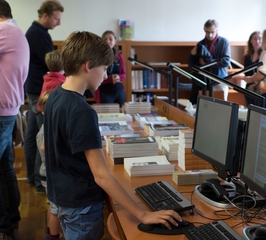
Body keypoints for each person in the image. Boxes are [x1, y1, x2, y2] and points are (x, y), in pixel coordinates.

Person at [43, 31, 181, 239]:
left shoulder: (55, 96)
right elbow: (101, 175)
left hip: (61, 198)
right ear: (88, 66)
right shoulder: (82, 110)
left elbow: (49, 146)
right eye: (105, 69)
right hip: (82, 205)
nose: (106, 75)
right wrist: (143, 214)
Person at [24, 0, 64, 194]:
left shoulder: (39, 33)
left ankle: (33, 178)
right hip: (41, 93)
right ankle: (40, 182)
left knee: (32, 136)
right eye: (56, 18)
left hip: (36, 90)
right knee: (43, 136)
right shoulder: (37, 35)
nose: (58, 23)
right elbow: (51, 63)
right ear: (45, 15)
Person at [0, 0, 30, 239]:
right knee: (5, 167)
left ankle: (3, 227)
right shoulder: (16, 31)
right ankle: (12, 215)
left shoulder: (5, 30)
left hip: (1, 111)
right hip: (8, 110)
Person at [234, 27, 266, 111]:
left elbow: (262, 74)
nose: (260, 40)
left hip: (265, 92)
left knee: (260, 119)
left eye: (262, 37)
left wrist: (251, 78)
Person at [36, 91, 62, 240]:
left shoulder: (48, 125)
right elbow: (45, 150)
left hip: (47, 173)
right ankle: (52, 236)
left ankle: (49, 230)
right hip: (50, 174)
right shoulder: (47, 130)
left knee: (52, 205)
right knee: (55, 209)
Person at [188, 19, 231, 105]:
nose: (210, 35)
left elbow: (226, 61)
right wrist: (191, 55)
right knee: (203, 106)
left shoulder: (224, 42)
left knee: (220, 107)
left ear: (217, 30)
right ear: (204, 30)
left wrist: (208, 63)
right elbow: (192, 64)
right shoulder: (201, 44)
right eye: (207, 32)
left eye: (212, 32)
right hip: (204, 81)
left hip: (219, 79)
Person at [94, 30, 126, 107]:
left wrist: (119, 77)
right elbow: (96, 77)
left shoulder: (119, 56)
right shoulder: (98, 57)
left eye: (110, 39)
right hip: (105, 92)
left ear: (115, 41)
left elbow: (124, 74)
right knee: (107, 115)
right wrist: (110, 79)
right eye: (105, 39)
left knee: (121, 114)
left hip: (119, 90)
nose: (108, 41)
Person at [242, 31, 262, 107]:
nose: (257, 41)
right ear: (250, 41)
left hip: (260, 88)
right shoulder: (247, 56)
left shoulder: (264, 55)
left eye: (260, 39)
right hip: (249, 87)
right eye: (254, 39)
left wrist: (255, 76)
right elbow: (246, 72)